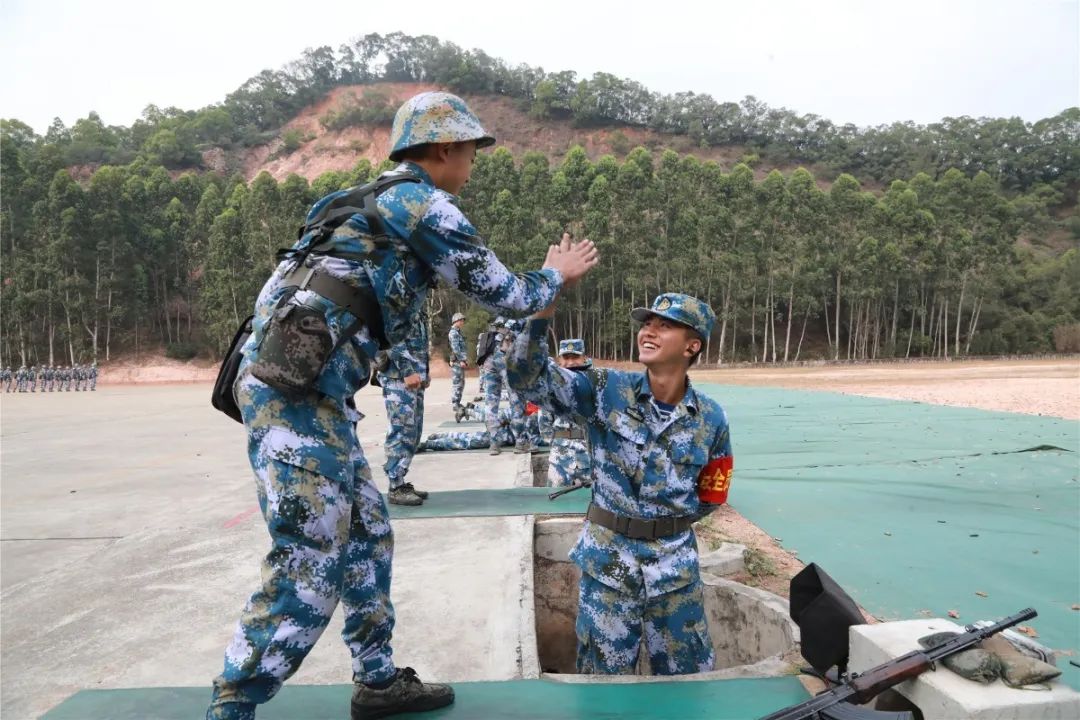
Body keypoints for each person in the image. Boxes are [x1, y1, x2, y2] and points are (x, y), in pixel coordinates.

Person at [206, 90, 598, 720]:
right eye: (470, 151)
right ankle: (232, 705)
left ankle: (378, 680)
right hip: (293, 399)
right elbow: (503, 291)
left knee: (367, 530)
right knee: (309, 560)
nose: (472, 164)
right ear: (443, 148)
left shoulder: (353, 200)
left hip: (305, 392)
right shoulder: (421, 204)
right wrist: (558, 274)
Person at [508, 290, 732, 675]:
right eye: (647, 323)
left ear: (692, 345)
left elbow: (712, 494)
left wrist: (663, 525)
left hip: (676, 576)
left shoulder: (711, 417)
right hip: (608, 569)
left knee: (688, 684)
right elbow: (527, 378)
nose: (649, 331)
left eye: (665, 325)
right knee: (603, 685)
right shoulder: (604, 389)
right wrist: (543, 307)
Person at [378, 309, 431, 507]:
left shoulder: (417, 304)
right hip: (398, 377)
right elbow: (390, 338)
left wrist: (424, 372)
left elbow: (419, 342)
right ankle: (395, 486)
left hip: (414, 377)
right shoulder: (397, 300)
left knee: (413, 432)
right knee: (401, 430)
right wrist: (407, 371)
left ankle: (400, 480)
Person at [547, 339, 593, 488]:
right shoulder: (552, 385)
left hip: (590, 457)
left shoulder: (596, 382)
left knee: (594, 499)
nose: (571, 362)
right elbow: (544, 423)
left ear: (584, 358)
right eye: (566, 358)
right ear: (559, 360)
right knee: (554, 499)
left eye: (575, 357)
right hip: (560, 458)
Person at [447, 312, 468, 419]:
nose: (463, 322)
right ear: (457, 321)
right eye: (461, 320)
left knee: (461, 383)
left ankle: (457, 402)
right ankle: (455, 404)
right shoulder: (453, 333)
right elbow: (456, 348)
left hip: (458, 361)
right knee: (457, 383)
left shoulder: (457, 332)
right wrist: (461, 360)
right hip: (457, 362)